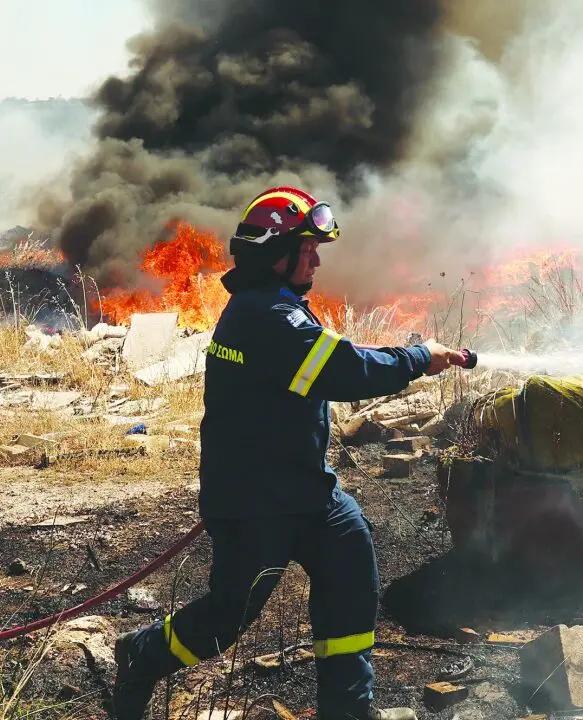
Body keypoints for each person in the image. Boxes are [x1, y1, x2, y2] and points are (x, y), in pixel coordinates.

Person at [110, 186, 468, 720]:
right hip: (255, 504)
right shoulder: (268, 316)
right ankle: (141, 655)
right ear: (275, 253)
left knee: (351, 564)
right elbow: (345, 370)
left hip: (307, 492)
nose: (316, 261)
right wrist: (419, 357)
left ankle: (347, 709)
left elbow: (331, 357)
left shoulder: (274, 308)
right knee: (224, 621)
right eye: (307, 249)